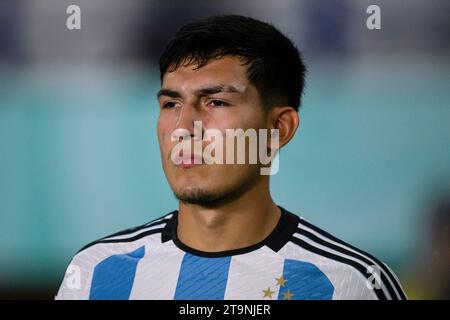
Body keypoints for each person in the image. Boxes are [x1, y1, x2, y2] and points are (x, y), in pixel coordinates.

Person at [56, 14, 407, 300]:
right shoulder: (94, 274)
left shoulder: (351, 284)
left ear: (279, 129)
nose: (184, 128)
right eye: (171, 104)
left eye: (216, 102)